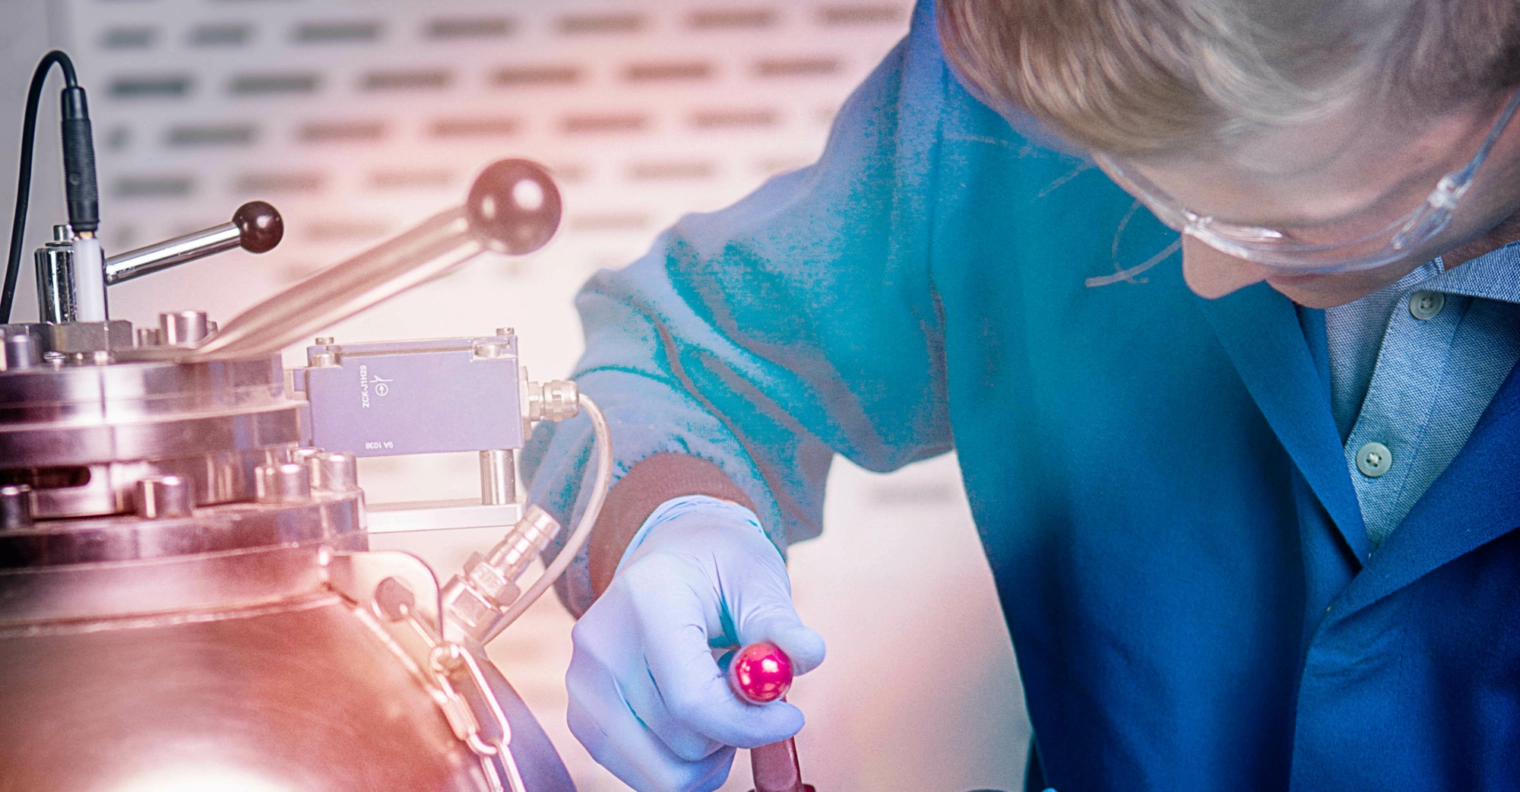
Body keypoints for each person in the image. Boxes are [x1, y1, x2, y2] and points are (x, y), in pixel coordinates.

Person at [522, 0, 1520, 789]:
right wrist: (666, 519)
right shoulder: (1035, 77)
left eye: (1291, 226)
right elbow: (680, 360)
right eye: (1146, 192)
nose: (1201, 273)